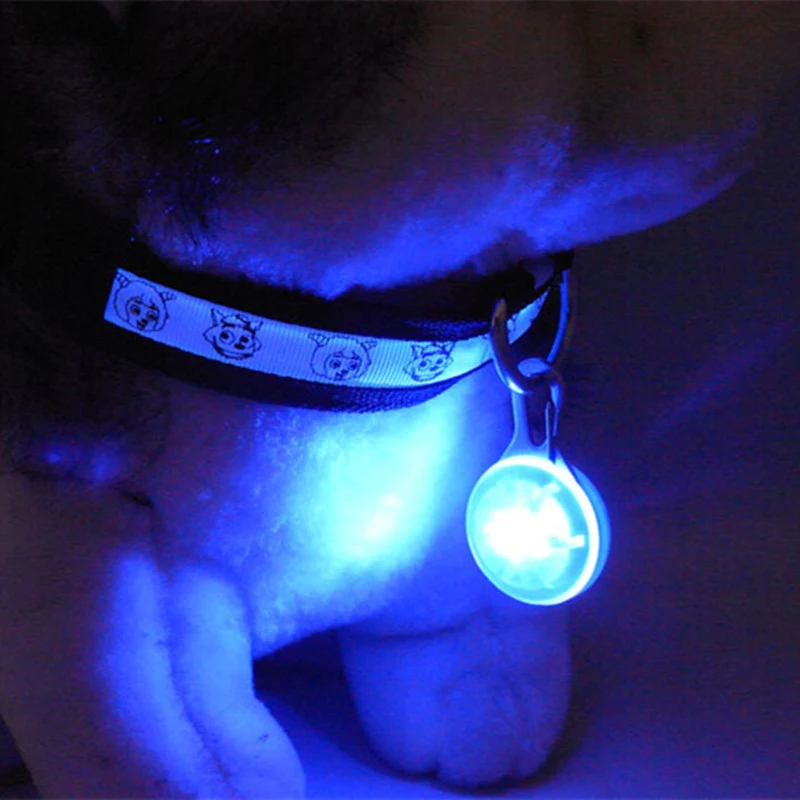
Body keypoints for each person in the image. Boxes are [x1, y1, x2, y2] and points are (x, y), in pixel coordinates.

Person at [0, 3, 798, 797]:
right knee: (102, 608)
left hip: (442, 471)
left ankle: (445, 627)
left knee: (453, 600)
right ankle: (152, 689)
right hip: (140, 527)